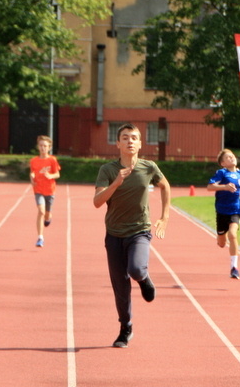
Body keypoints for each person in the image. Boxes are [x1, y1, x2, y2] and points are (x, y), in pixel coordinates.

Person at [93, 123, 170, 348]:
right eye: (125, 137)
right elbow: (97, 202)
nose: (130, 141)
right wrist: (116, 183)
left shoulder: (149, 167)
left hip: (139, 231)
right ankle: (125, 327)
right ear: (118, 143)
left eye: (134, 138)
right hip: (114, 233)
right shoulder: (108, 170)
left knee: (136, 269)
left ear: (140, 144)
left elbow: (165, 186)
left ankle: (144, 279)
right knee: (120, 286)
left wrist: (165, 217)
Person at [207, 149, 240, 279]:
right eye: (228, 157)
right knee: (222, 243)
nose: (232, 158)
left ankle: (234, 267)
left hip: (236, 210)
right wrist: (224, 187)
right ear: (223, 163)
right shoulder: (222, 173)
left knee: (233, 234)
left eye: (232, 156)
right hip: (221, 210)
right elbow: (210, 187)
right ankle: (220, 235)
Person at [29, 135, 60, 247]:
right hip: (38, 190)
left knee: (47, 215)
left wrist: (50, 175)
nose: (43, 148)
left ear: (49, 147)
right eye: (41, 146)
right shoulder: (34, 161)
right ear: (38, 147)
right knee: (41, 211)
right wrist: (32, 177)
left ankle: (48, 218)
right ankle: (40, 237)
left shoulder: (52, 160)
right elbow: (32, 172)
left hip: (50, 190)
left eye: (45, 146)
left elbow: (57, 174)